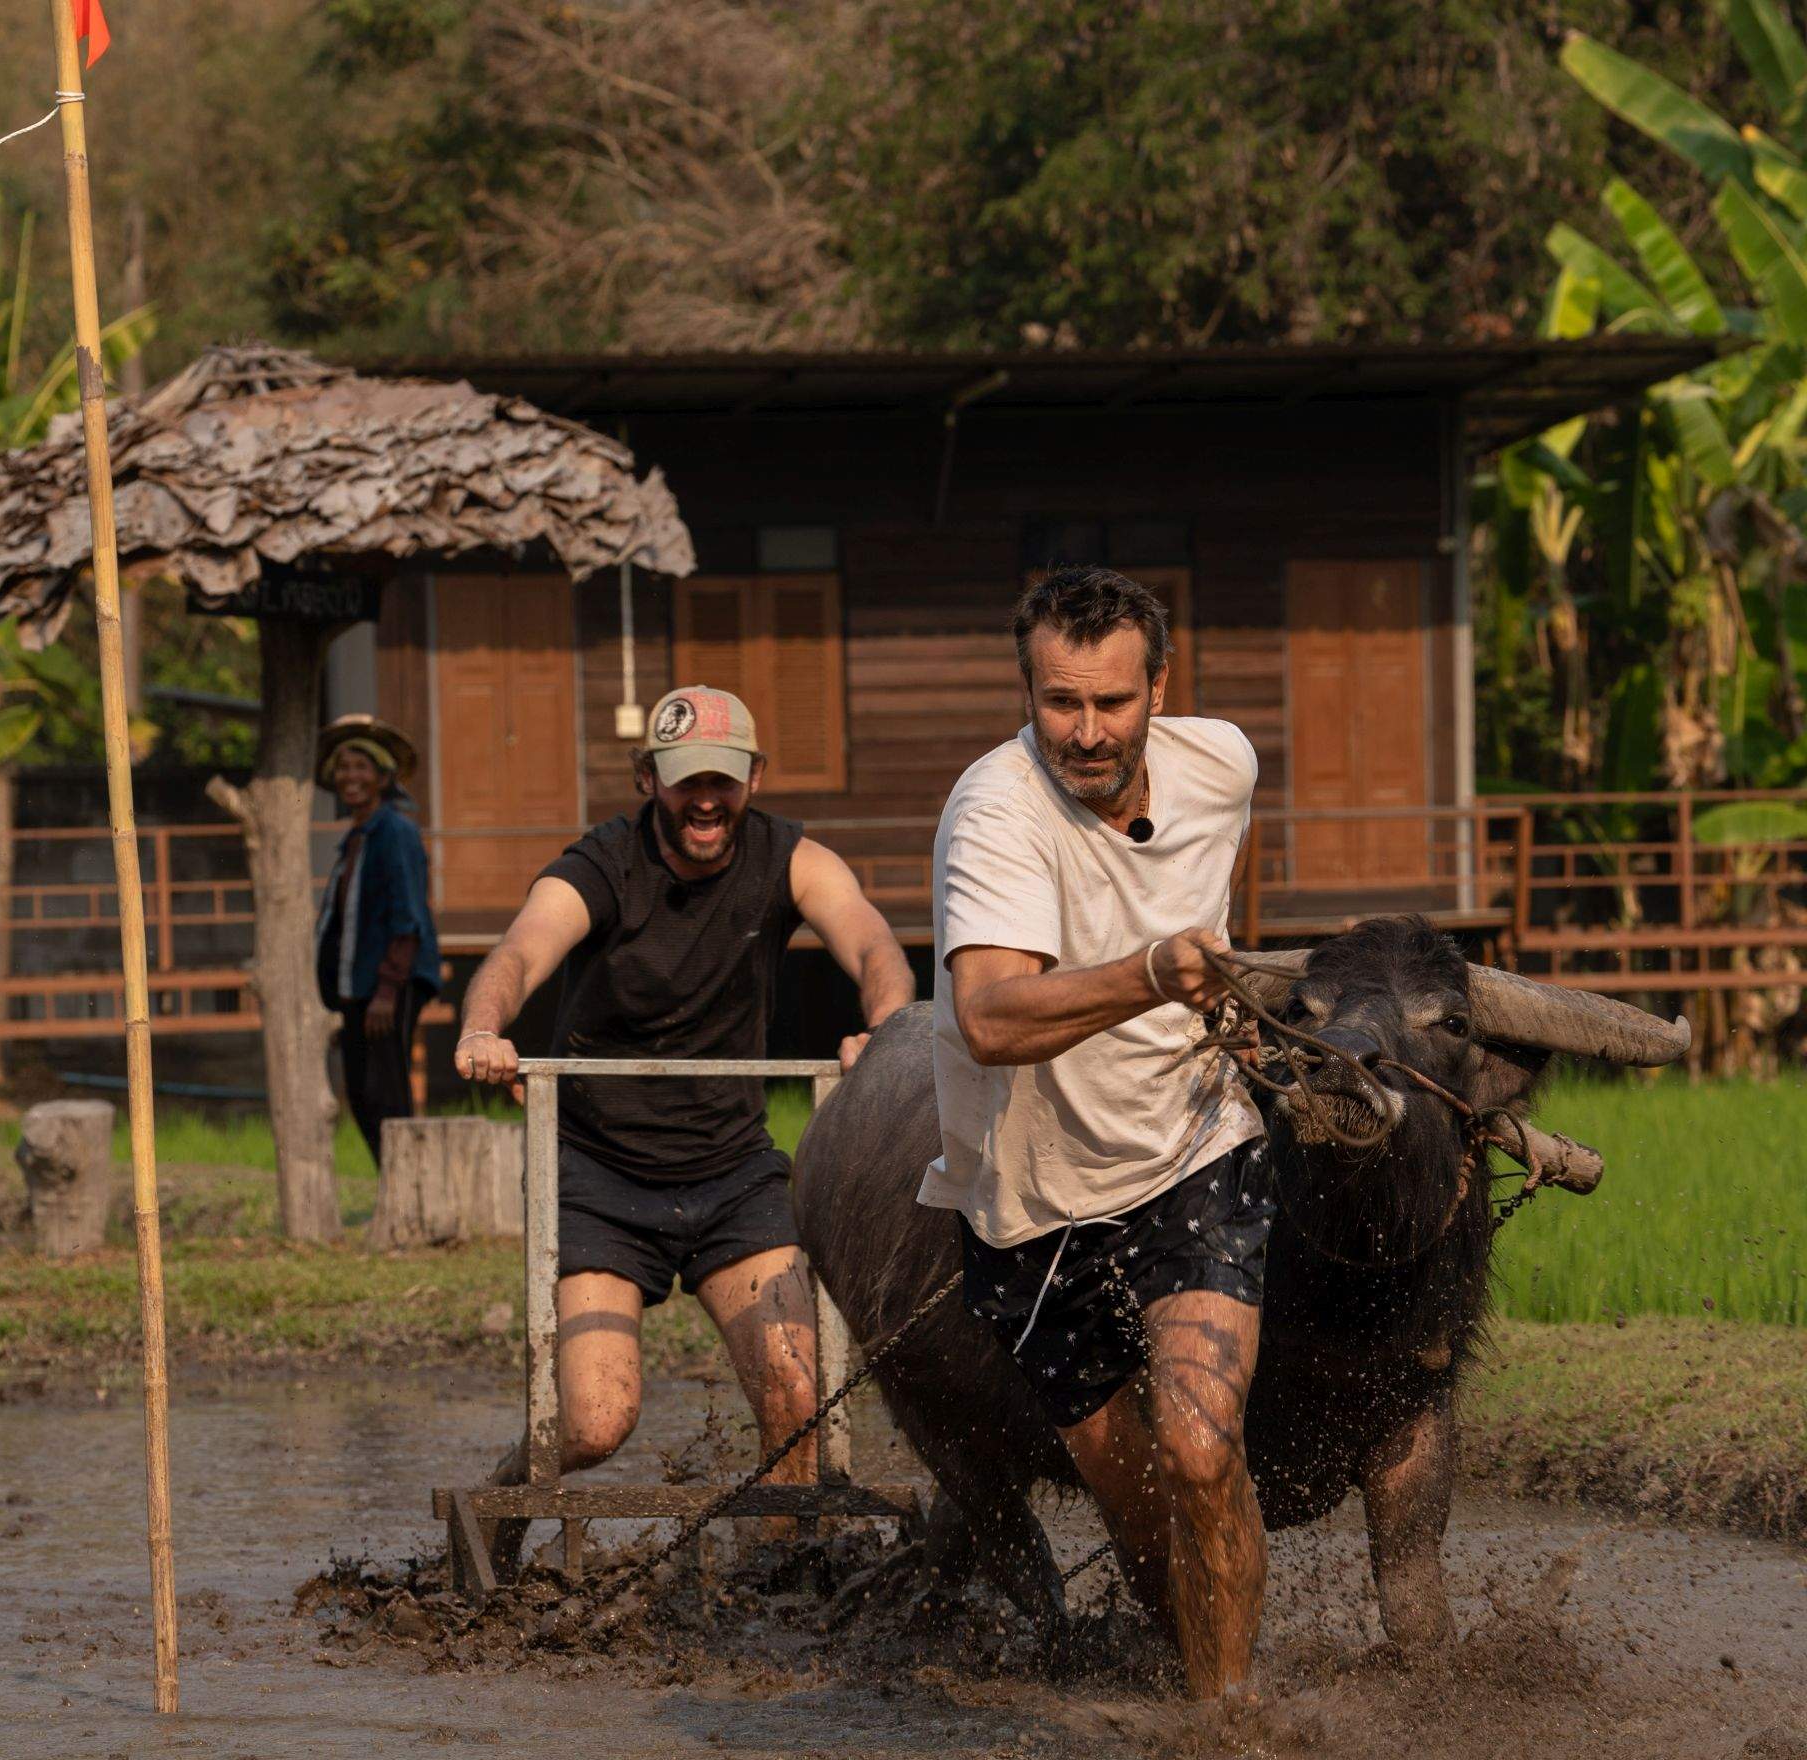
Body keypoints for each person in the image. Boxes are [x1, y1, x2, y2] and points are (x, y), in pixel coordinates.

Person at [919, 565, 1271, 1700]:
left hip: (1192, 1147)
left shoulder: (1223, 761)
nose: (1085, 731)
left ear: (1159, 686)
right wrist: (1155, 969)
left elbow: (1227, 874)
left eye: (1111, 703)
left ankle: (1230, 1732)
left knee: (1201, 1450)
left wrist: (1230, 981)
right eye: (1059, 702)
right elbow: (985, 1017)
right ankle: (1181, 1666)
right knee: (1136, 1508)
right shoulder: (994, 816)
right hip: (1034, 1205)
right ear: (1027, 694)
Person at [455, 683, 915, 1480]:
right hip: (601, 1170)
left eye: (722, 781)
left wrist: (885, 1029)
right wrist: (483, 1028)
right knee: (598, 1425)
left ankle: (772, 1584)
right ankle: (507, 1485)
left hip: (731, 1169)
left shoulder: (791, 859)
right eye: (686, 781)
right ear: (650, 781)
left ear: (753, 780)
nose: (706, 801)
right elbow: (522, 950)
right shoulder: (601, 864)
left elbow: (873, 943)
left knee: (800, 1406)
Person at [314, 713, 443, 1164]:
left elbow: (407, 913)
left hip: (389, 985)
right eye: (343, 768)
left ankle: (411, 1195)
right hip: (360, 988)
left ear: (383, 777)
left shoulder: (395, 832)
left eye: (361, 767)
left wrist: (388, 988)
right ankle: (393, 1188)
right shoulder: (357, 838)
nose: (350, 777)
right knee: (362, 1093)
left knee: (385, 1092)